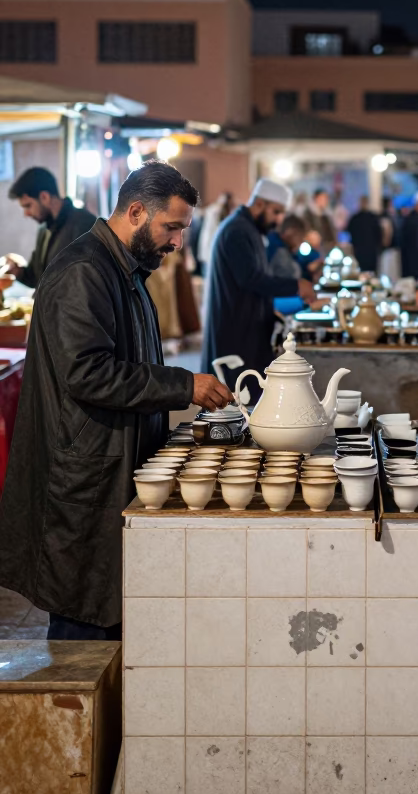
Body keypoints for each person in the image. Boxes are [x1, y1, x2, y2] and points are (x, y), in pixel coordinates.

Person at [0, 161, 233, 639]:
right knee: (84, 628)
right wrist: (183, 385)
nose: (177, 243)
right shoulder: (84, 271)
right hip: (85, 479)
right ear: (134, 212)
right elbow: (87, 373)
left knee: (111, 616)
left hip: (110, 467)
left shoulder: (123, 268)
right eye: (172, 227)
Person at [202, 179, 315, 382]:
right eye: (276, 212)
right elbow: (251, 279)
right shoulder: (237, 231)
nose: (279, 220)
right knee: (236, 399)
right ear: (260, 204)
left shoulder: (248, 229)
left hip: (245, 325)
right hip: (235, 330)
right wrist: (296, 285)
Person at [4, 166, 96, 288]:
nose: (26, 214)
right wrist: (18, 271)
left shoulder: (84, 224)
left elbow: (89, 284)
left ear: (44, 197)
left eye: (28, 206)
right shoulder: (44, 229)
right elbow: (37, 279)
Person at [272, 213, 323, 283]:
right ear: (290, 232)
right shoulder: (279, 251)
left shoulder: (288, 250)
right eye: (300, 236)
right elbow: (290, 277)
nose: (301, 241)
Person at [347, 197, 383, 273]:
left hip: (369, 251)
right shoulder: (356, 218)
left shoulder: (372, 218)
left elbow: (378, 234)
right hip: (361, 251)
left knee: (370, 272)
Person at [304, 188, 338, 255]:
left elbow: (331, 232)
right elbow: (307, 229)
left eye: (326, 198)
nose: (325, 201)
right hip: (313, 249)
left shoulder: (326, 215)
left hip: (327, 249)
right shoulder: (308, 214)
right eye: (322, 198)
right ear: (316, 198)